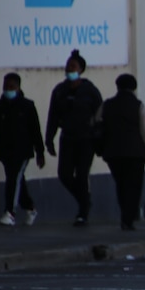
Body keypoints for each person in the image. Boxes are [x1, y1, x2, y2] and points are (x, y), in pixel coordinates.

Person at [0, 73, 45, 226]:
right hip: (5, 151)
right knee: (17, 181)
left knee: (13, 179)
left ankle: (10, 213)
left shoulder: (27, 106)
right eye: (5, 86)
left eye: (11, 87)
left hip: (22, 152)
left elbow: (35, 131)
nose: (8, 89)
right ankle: (30, 207)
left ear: (18, 88)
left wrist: (40, 153)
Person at [45, 49, 103, 227]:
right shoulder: (59, 91)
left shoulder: (90, 91)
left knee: (82, 174)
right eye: (68, 66)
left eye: (73, 66)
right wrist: (49, 139)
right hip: (67, 138)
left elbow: (100, 115)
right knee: (64, 174)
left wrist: (100, 138)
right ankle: (84, 200)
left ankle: (82, 212)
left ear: (81, 70)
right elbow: (53, 116)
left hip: (86, 139)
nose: (69, 69)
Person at [96, 74, 145, 231]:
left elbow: (96, 122)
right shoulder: (138, 105)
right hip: (135, 153)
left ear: (117, 86)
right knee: (134, 186)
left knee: (121, 185)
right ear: (134, 88)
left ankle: (125, 213)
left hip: (113, 153)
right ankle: (128, 218)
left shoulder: (107, 104)